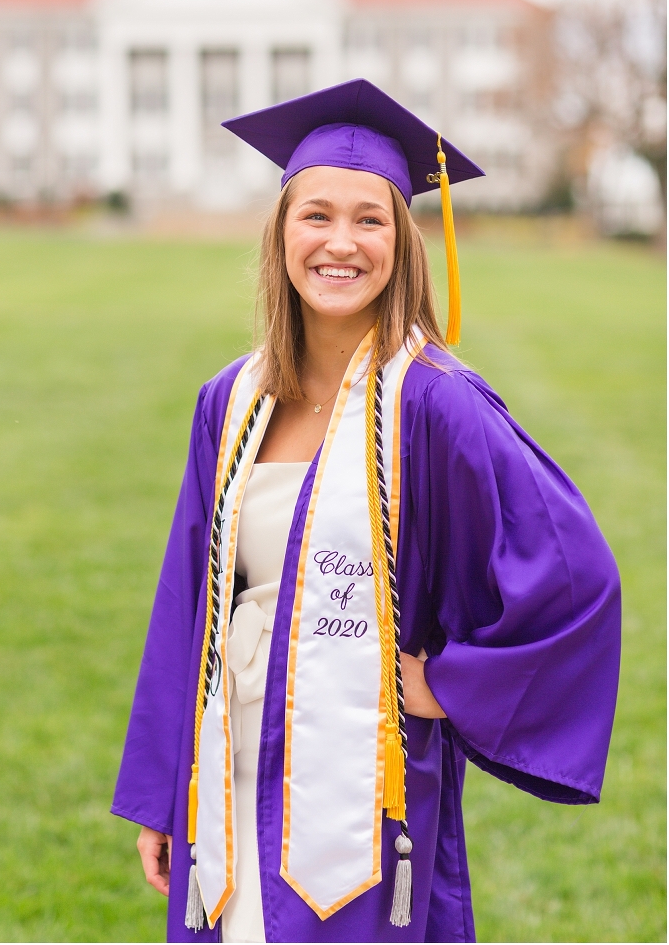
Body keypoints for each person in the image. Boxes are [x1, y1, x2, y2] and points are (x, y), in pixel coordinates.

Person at [112, 79, 620, 944]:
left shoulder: (436, 404)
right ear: (279, 234)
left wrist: (454, 685)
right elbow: (189, 604)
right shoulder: (229, 402)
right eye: (315, 216)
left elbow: (575, 576)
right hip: (226, 775)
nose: (339, 243)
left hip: (358, 793)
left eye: (369, 219)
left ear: (404, 241)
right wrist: (162, 788)